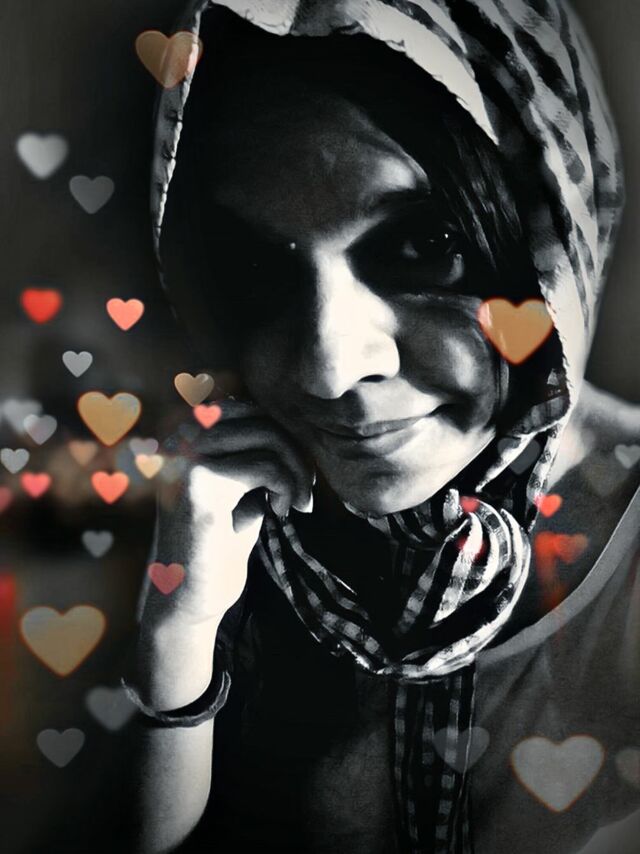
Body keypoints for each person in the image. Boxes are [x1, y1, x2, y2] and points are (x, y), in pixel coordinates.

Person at [121, 2, 640, 853]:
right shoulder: (224, 520)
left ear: (553, 242)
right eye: (259, 266)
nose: (328, 369)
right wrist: (179, 628)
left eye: (422, 244)